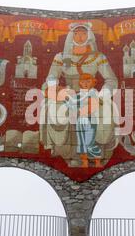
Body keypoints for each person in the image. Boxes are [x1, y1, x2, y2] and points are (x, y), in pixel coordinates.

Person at [40, 22, 118, 167]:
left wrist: (101, 97)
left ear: (88, 36)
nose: (80, 37)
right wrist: (57, 88)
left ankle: (95, 151)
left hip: (90, 94)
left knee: (100, 111)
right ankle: (67, 151)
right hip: (67, 94)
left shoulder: (98, 57)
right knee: (57, 109)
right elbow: (51, 76)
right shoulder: (61, 56)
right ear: (72, 35)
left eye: (83, 33)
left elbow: (111, 80)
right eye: (76, 33)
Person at [65, 73, 102, 168]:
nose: (85, 83)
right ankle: (84, 162)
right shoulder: (80, 94)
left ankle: (97, 162)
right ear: (80, 83)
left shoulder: (93, 92)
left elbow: (93, 105)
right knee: (81, 143)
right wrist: (67, 98)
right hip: (80, 120)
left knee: (90, 143)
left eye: (88, 81)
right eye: (83, 81)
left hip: (90, 120)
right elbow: (72, 104)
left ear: (93, 82)